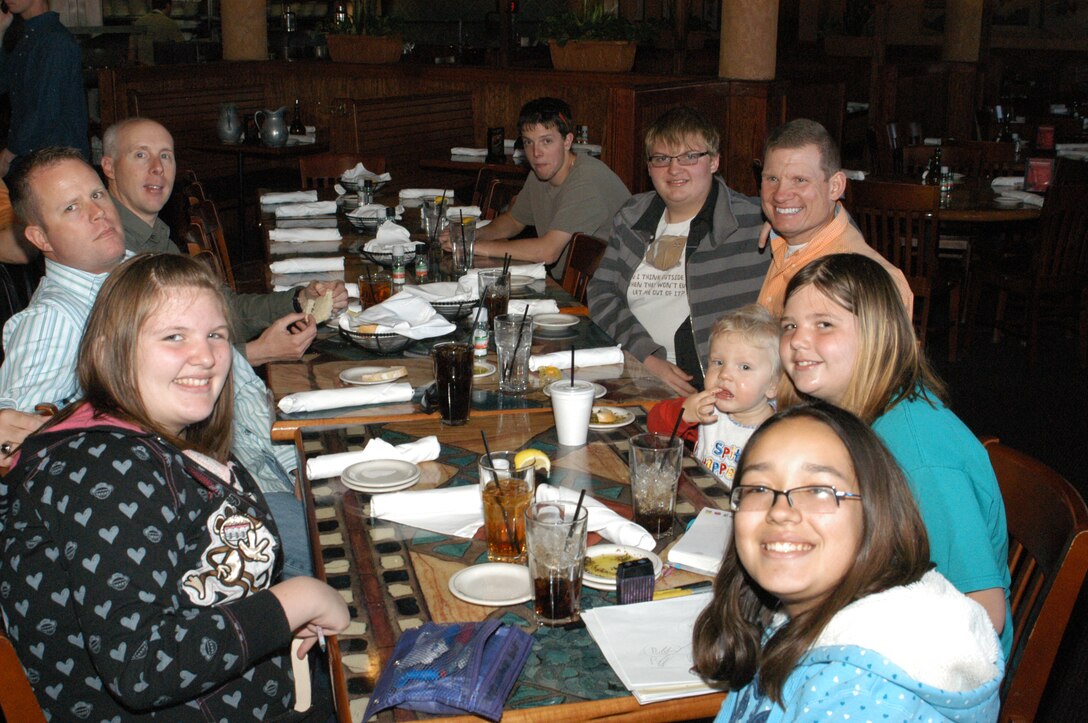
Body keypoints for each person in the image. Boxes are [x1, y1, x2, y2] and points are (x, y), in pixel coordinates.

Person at [0, 253, 349, 720]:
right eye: (173, 337)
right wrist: (295, 599)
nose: (205, 356)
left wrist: (272, 622)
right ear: (110, 350)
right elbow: (141, 665)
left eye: (216, 335)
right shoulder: (106, 467)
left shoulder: (155, 440)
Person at [0, 147, 313, 580]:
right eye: (72, 207)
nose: (96, 213)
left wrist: (299, 462)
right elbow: (21, 458)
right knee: (347, 553)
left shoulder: (142, 273)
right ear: (40, 238)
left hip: (257, 472)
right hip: (189, 519)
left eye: (96, 195)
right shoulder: (53, 319)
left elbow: (238, 385)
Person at [692, 402, 1003, 721]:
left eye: (818, 490)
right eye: (759, 488)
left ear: (875, 513)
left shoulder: (863, 699)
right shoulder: (798, 612)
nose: (780, 510)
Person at [779, 252, 1012, 657]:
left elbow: (984, 614)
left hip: (927, 676)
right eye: (790, 326)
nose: (798, 340)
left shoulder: (918, 455)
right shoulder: (854, 417)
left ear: (877, 334)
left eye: (824, 325)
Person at [101, 117, 348, 367]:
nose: (157, 168)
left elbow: (223, 309)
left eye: (165, 156)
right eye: (141, 155)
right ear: (109, 167)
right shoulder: (110, 252)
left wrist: (300, 300)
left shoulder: (157, 238)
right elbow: (144, 365)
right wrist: (257, 353)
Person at [588, 106, 768, 396]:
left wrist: (787, 222)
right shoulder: (634, 216)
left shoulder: (752, 221)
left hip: (709, 389)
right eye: (661, 159)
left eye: (689, 156)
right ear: (649, 168)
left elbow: (824, 217)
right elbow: (602, 292)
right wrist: (647, 357)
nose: (674, 169)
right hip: (630, 368)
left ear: (714, 162)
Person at [454, 97, 630, 280]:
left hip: (614, 296)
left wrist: (472, 247)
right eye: (528, 142)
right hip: (576, 286)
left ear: (567, 141)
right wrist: (472, 235)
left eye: (546, 141)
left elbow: (548, 252)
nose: (536, 153)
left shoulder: (587, 179)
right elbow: (514, 220)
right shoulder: (541, 173)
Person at [756, 118, 912, 316]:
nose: (780, 194)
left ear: (835, 186)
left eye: (800, 180)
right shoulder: (782, 241)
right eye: (772, 179)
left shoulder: (871, 283)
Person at [647, 304, 780, 484]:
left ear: (773, 385)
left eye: (745, 367)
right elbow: (655, 427)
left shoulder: (778, 433)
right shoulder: (706, 411)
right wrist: (685, 413)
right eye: (718, 362)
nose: (724, 374)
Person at [0, 0, 90, 177]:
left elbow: (45, 111)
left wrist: (9, 154)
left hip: (57, 163)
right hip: (37, 159)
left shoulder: (55, 40)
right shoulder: (30, 36)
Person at [130, 0, 183, 65]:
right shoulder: (170, 24)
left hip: (143, 68)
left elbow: (132, 50)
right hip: (163, 69)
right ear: (168, 5)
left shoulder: (138, 22)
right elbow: (181, 48)